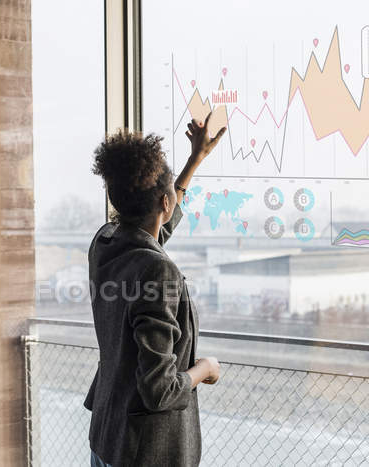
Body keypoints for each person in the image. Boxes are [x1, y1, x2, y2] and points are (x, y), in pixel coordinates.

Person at [84, 113, 226, 466]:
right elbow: (159, 390)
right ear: (164, 202)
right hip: (145, 452)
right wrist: (204, 368)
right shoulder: (156, 270)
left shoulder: (106, 242)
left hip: (108, 437)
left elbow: (153, 234)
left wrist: (195, 161)